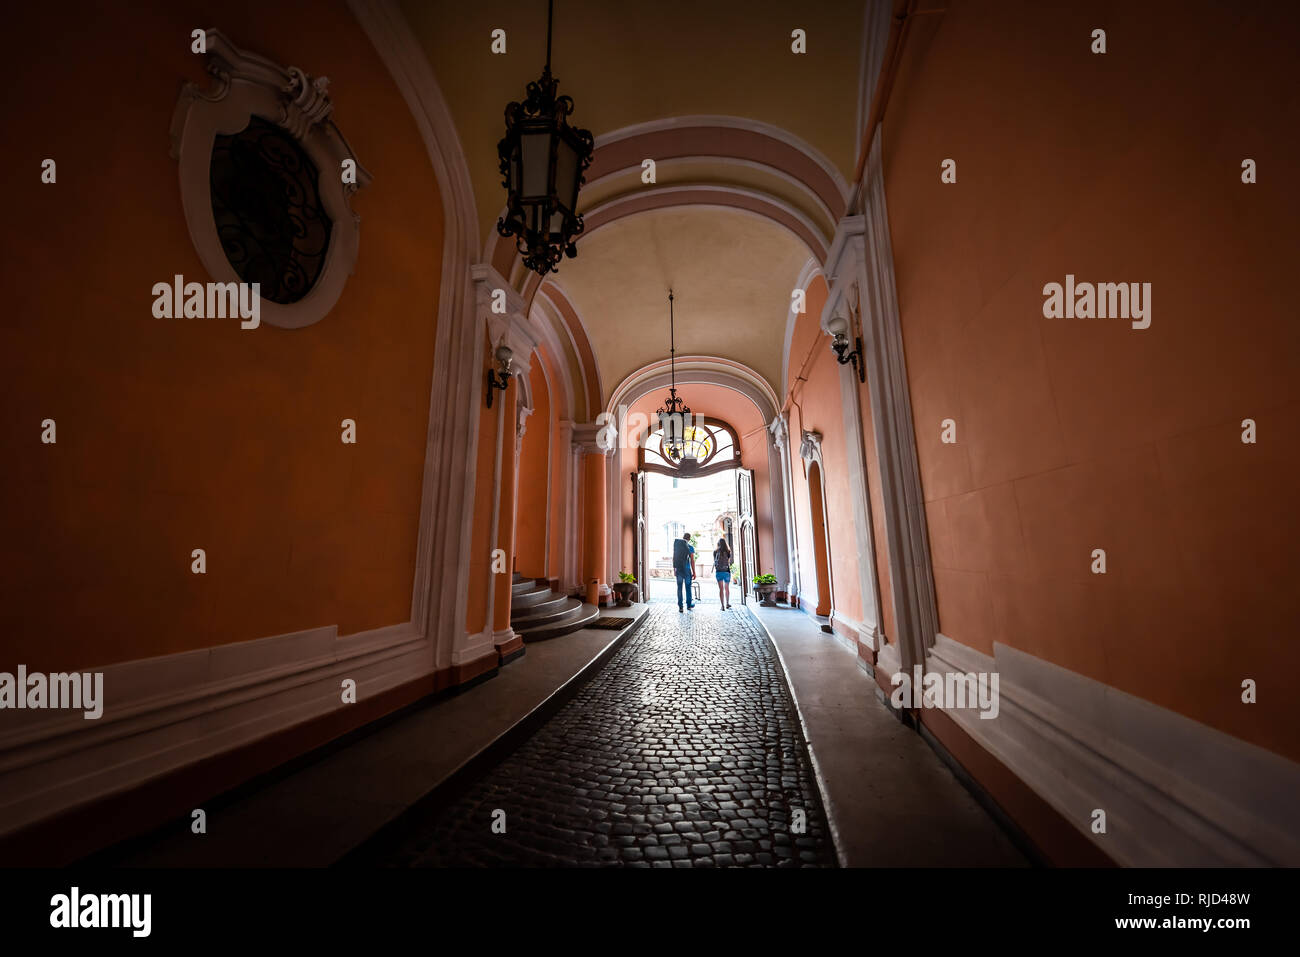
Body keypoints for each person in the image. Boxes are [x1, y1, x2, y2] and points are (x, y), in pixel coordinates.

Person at [672, 532, 696, 612]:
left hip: (678, 569)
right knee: (688, 588)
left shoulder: (678, 547)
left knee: (679, 588)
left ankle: (680, 607)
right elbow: (692, 560)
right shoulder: (690, 547)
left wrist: (674, 569)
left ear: (683, 537)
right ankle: (689, 605)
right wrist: (694, 572)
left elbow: (674, 558)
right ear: (689, 539)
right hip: (687, 570)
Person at [714, 537, 733, 610]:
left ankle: (722, 606)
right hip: (726, 571)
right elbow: (728, 561)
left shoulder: (715, 552)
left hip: (718, 572)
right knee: (727, 588)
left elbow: (715, 562)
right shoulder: (728, 551)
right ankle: (727, 603)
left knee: (721, 589)